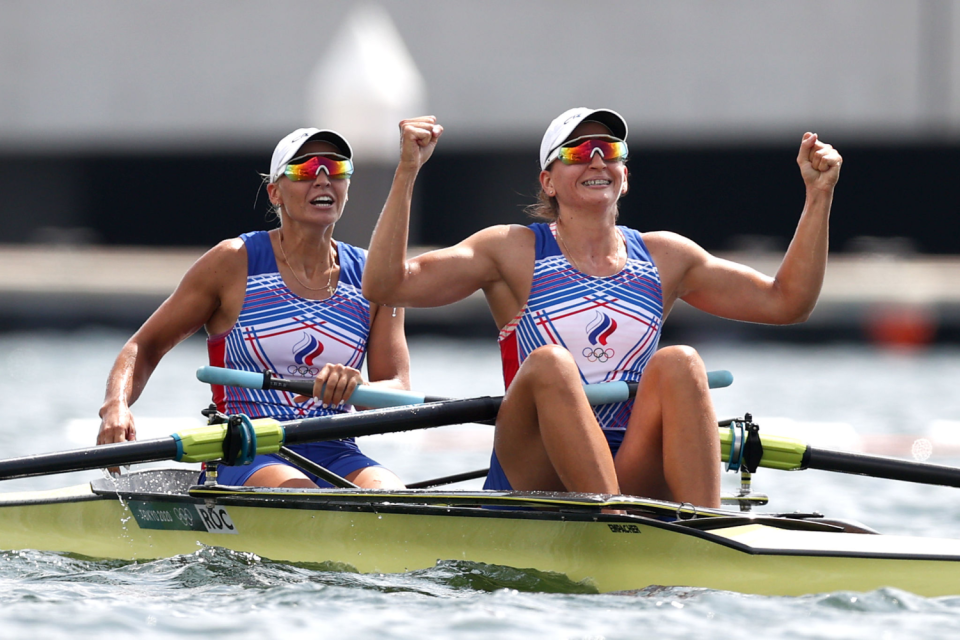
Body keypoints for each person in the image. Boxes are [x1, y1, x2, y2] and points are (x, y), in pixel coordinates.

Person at [362, 109, 842, 507]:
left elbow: (788, 303)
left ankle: (705, 529)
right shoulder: (509, 251)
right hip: (536, 465)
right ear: (548, 182)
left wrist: (819, 196)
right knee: (551, 363)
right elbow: (385, 284)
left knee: (681, 362)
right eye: (577, 152)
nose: (596, 160)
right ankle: (615, 522)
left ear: (625, 177)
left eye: (609, 152)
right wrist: (407, 173)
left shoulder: (666, 257)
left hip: (630, 462)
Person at [97, 127, 409, 489]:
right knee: (300, 492)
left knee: (390, 494)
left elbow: (398, 388)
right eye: (306, 169)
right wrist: (115, 407)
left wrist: (360, 387)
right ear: (275, 192)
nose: (323, 179)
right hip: (246, 448)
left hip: (337, 449)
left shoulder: (375, 279)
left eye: (337, 169)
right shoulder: (233, 263)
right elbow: (144, 346)